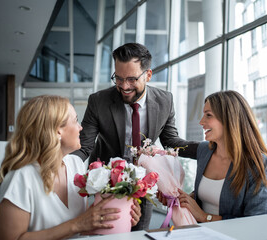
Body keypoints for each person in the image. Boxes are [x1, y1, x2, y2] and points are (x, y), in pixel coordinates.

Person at [70, 42, 198, 230]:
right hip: (108, 188)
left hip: (143, 186)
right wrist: (60, 166)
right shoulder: (99, 101)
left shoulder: (165, 101)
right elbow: (84, 146)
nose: (124, 86)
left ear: (148, 75)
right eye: (118, 78)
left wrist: (206, 149)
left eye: (131, 79)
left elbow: (172, 141)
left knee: (139, 235)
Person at [0, 95, 141, 240]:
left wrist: (119, 214)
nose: (80, 127)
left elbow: (81, 229)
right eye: (76, 120)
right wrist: (77, 224)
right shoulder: (20, 177)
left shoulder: (75, 164)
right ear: (58, 131)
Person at [158, 90, 267, 222]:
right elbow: (207, 196)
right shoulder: (204, 151)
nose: (201, 122)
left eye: (208, 115)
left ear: (229, 119)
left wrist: (204, 216)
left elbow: (259, 220)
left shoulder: (255, 163)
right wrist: (179, 198)